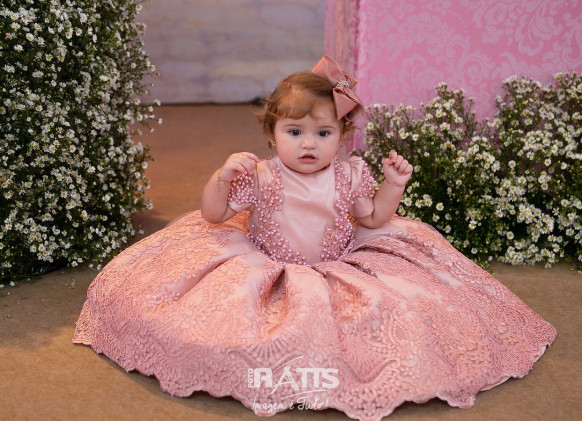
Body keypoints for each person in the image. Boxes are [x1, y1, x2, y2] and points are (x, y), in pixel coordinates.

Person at [74, 56, 556, 421]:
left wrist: (393, 185)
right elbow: (213, 215)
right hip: (264, 259)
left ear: (342, 137)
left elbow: (373, 219)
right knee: (209, 316)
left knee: (407, 310)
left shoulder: (349, 175)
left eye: (323, 133)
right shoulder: (261, 175)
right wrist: (222, 177)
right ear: (271, 134)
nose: (309, 144)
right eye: (295, 132)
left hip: (339, 258)